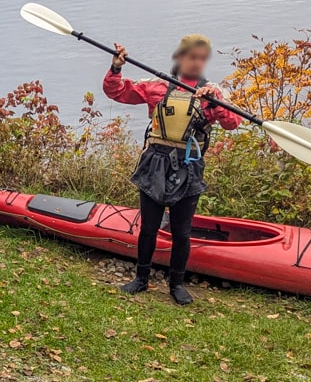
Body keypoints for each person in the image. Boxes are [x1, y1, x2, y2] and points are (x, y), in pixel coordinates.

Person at [103, 34, 242, 305]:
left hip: (189, 165)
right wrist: (116, 67)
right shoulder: (156, 87)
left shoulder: (210, 93)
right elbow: (117, 91)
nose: (196, 63)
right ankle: (141, 279)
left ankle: (176, 284)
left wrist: (214, 101)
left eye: (201, 58)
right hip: (155, 161)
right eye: (191, 57)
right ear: (179, 57)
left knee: (181, 231)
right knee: (149, 227)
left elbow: (232, 123)